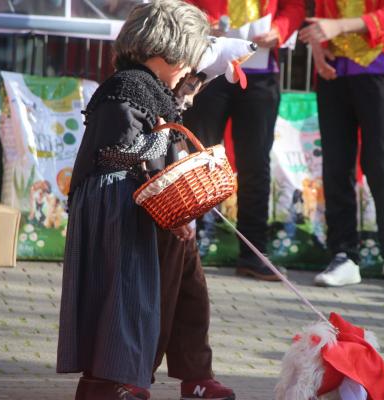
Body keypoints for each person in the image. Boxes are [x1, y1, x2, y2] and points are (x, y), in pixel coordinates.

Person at [56, 2, 234, 399]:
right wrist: (159, 153)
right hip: (123, 205)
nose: (189, 69)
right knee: (130, 294)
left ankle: (194, 373)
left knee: (189, 286)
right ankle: (113, 379)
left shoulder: (151, 87)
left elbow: (159, 137)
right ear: (165, 51)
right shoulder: (127, 88)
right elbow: (119, 151)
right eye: (186, 60)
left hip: (144, 202)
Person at [299, 0, 384, 291]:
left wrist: (338, 26)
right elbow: (315, 11)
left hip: (378, 64)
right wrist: (318, 51)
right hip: (334, 69)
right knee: (336, 164)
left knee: (382, 162)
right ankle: (343, 255)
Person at [183, 0, 305, 281]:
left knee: (256, 164)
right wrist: (201, 20)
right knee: (199, 157)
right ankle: (190, 245)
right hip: (209, 66)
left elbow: (295, 6)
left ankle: (254, 253)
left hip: (261, 72)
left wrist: (280, 29)